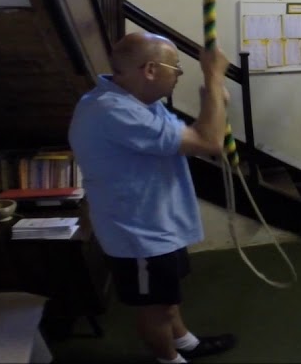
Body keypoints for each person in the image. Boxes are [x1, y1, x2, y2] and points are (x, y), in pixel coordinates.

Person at [68, 32, 237, 364]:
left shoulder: (136, 104)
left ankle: (185, 343)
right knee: (155, 307)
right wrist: (214, 79)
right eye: (175, 68)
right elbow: (209, 142)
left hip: (157, 225)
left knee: (167, 299)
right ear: (150, 70)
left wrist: (213, 101)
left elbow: (192, 136)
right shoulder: (112, 110)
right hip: (139, 236)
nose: (176, 75)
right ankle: (169, 360)